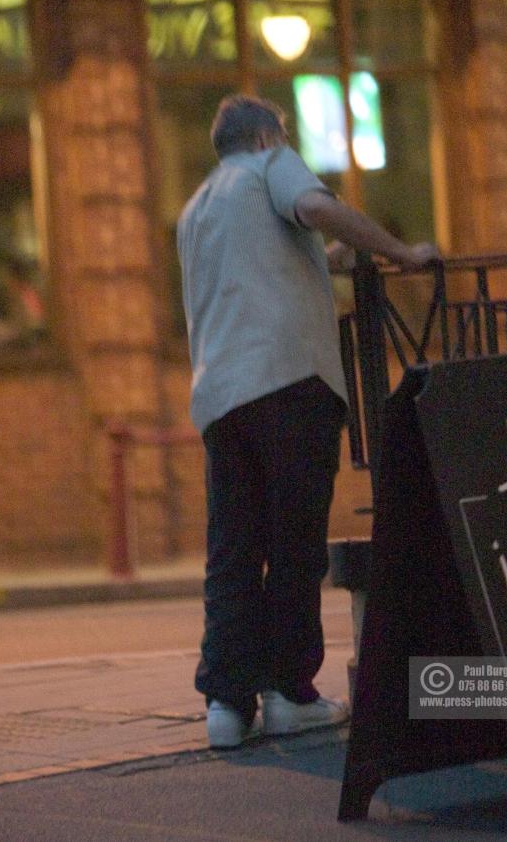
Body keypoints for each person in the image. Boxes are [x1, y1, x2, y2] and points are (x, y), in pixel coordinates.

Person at [177, 94, 438, 749]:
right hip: (290, 381)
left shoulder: (198, 206)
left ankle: (227, 706)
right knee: (294, 544)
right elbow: (318, 207)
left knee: (233, 549)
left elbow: (265, 264)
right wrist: (403, 253)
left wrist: (333, 262)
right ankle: (291, 692)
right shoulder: (273, 166)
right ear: (267, 136)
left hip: (220, 395)